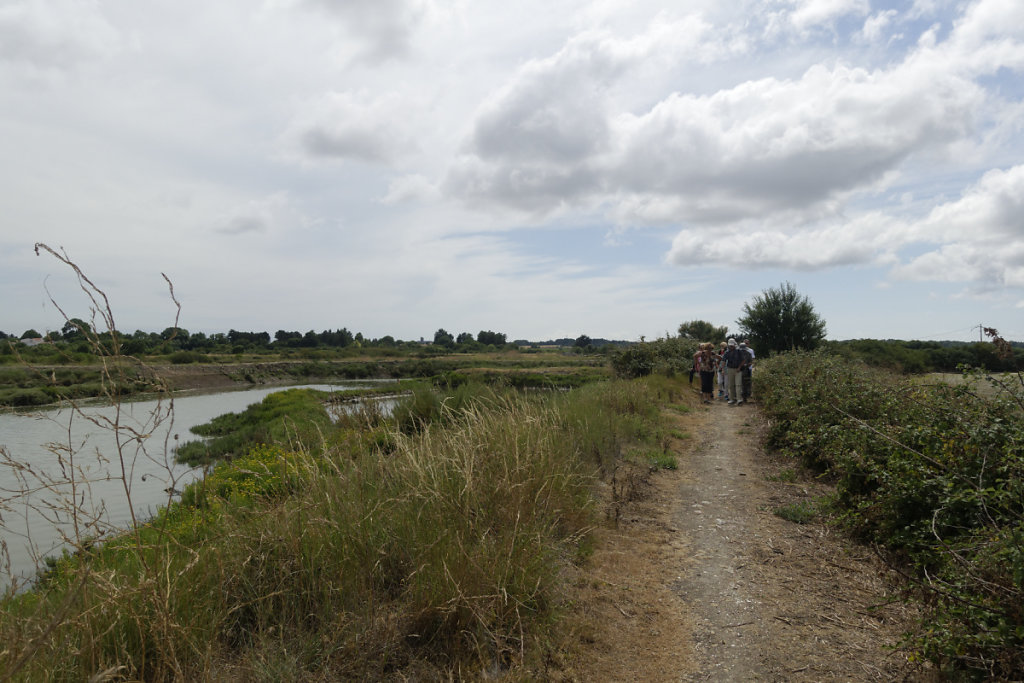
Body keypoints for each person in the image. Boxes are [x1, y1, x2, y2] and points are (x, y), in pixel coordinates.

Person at [722, 338, 749, 405]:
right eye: (730, 345)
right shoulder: (727, 352)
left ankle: (739, 399)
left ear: (734, 345)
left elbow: (743, 360)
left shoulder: (739, 351)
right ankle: (731, 399)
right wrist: (723, 369)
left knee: (738, 385)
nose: (731, 347)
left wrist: (739, 367)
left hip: (738, 370)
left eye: (732, 345)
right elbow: (723, 361)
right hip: (730, 369)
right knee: (731, 385)